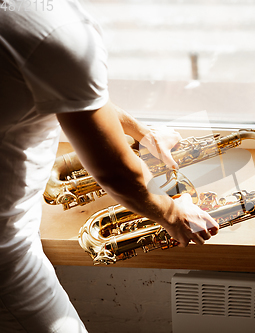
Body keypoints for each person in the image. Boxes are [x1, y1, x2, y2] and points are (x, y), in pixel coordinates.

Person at [0, 1, 218, 332]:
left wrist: (139, 131)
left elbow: (61, 86)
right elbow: (116, 172)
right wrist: (174, 214)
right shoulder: (58, 30)